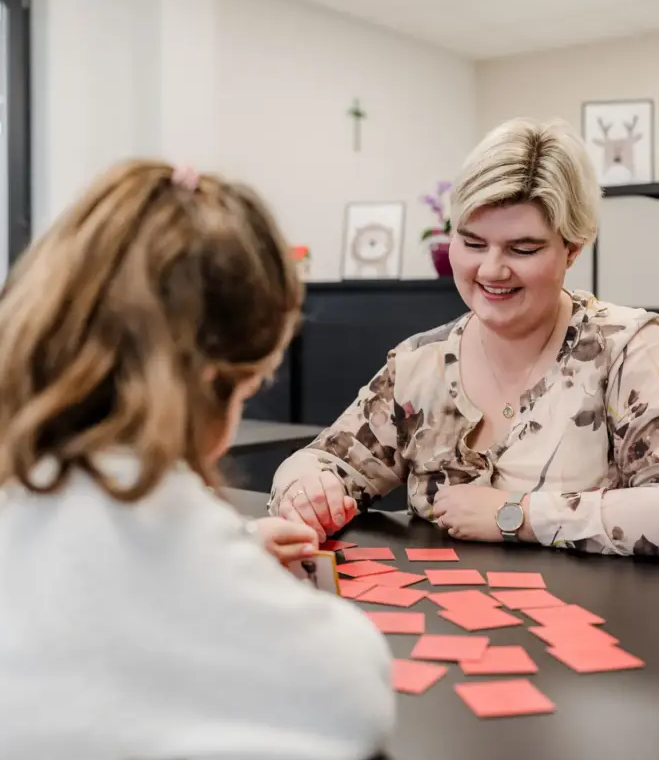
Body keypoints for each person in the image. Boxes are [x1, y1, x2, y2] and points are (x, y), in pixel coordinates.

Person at [0, 160, 394, 760]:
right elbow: (352, 704)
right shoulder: (142, 520)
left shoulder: (14, 466)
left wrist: (221, 560)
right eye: (248, 389)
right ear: (205, 383)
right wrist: (224, 569)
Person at [271, 118, 659, 557]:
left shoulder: (628, 350)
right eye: (473, 244)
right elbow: (324, 460)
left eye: (522, 249)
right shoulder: (421, 363)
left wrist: (517, 515)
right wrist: (305, 488)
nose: (491, 270)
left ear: (572, 249)